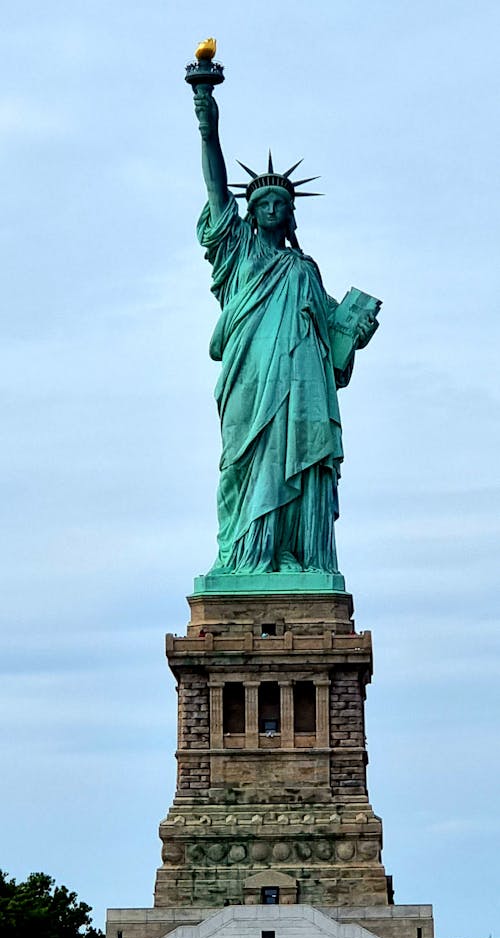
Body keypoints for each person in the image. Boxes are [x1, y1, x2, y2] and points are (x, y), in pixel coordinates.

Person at [193, 83, 378, 577]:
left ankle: (289, 551)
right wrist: (207, 127)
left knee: (294, 458)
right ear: (250, 213)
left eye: (281, 202)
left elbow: (333, 335)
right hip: (249, 380)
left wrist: (355, 332)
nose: (273, 207)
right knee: (240, 463)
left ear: (290, 213)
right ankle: (243, 553)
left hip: (301, 384)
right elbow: (216, 190)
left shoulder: (305, 270)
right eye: (264, 202)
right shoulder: (238, 254)